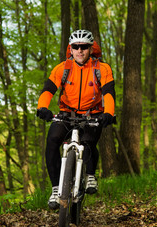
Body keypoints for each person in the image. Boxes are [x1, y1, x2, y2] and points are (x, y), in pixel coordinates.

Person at [36, 30, 115, 209]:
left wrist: (108, 113)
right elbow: (48, 90)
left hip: (92, 113)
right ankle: (56, 189)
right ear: (70, 49)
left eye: (84, 47)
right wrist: (42, 108)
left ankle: (90, 175)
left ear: (91, 48)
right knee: (52, 141)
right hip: (66, 113)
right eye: (76, 47)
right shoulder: (62, 68)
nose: (80, 50)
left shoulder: (102, 69)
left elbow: (109, 93)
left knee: (88, 143)